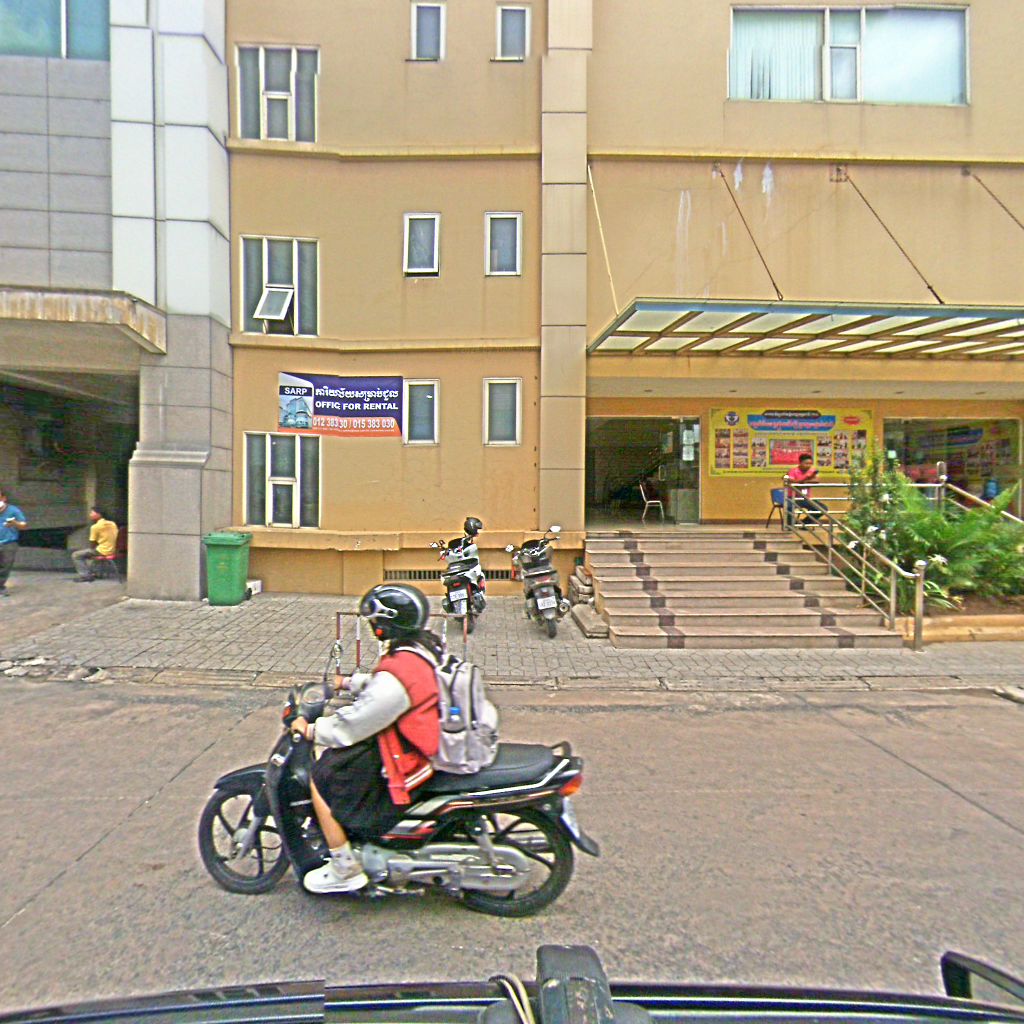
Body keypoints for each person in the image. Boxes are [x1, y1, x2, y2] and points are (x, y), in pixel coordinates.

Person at [292, 584, 441, 894]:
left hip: (406, 756)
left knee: (322, 775)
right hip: (408, 740)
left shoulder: (397, 673)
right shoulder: (418, 649)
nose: (373, 625)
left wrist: (311, 729)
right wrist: (347, 683)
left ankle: (344, 867)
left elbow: (354, 723)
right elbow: (380, 685)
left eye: (375, 619)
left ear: (388, 622)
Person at [70, 507, 119, 582]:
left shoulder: (95, 527)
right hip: (113, 550)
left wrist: (93, 548)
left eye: (92, 513)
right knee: (88, 553)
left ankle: (85, 575)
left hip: (102, 551)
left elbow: (92, 543)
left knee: (76, 555)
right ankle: (93, 572)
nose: (90, 515)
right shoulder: (112, 524)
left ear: (99, 514)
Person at [0, 487, 28, 598]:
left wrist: (14, 523)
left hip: (9, 543)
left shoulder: (13, 510)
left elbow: (23, 525)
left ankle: (0, 586)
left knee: (5, 566)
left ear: (4, 498)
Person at [785, 453, 819, 524]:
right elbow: (793, 482)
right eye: (806, 463)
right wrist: (807, 478)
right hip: (793, 498)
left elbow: (816, 481)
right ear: (800, 463)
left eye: (810, 464)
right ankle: (789, 526)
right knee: (789, 508)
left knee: (822, 508)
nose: (808, 465)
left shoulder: (812, 471)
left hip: (805, 498)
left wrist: (803, 481)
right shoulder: (793, 471)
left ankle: (804, 524)